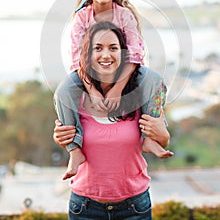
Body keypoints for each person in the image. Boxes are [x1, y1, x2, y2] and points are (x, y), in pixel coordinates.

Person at [54, 0, 173, 180]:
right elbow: (77, 58)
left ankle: (150, 137)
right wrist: (93, 91)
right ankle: (74, 149)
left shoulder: (124, 15)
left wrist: (118, 89)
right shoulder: (82, 17)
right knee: (62, 92)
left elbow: (135, 54)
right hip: (87, 74)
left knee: (154, 80)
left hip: (125, 72)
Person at [54, 21, 172, 220]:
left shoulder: (140, 93)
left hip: (135, 206)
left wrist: (162, 136)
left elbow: (165, 139)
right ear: (87, 55)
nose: (106, 55)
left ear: (124, 55)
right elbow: (64, 130)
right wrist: (64, 139)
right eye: (97, 48)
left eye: (113, 48)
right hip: (84, 207)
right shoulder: (75, 96)